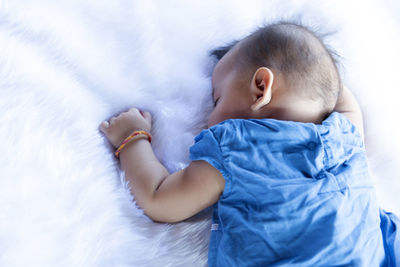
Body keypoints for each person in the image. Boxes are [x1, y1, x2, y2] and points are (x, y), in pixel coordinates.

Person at [99, 22, 399, 266]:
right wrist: (309, 75)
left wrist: (132, 137)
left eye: (217, 99)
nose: (209, 118)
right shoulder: (346, 135)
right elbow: (339, 95)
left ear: (260, 88)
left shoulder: (237, 148)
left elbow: (158, 199)